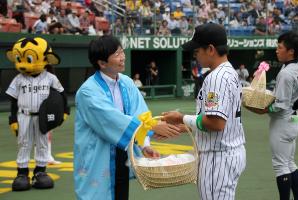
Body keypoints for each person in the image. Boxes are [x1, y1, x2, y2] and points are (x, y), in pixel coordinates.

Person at [74, 35, 181, 200]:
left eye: (122, 51)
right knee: (97, 194)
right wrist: (152, 127)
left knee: (121, 193)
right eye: (116, 54)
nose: (122, 57)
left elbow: (140, 114)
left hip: (122, 153)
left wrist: (145, 145)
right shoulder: (88, 91)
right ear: (102, 63)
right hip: (98, 156)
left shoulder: (127, 82)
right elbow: (110, 120)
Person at [162, 23, 246, 200]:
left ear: (210, 49)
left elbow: (216, 123)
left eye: (197, 50)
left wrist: (181, 118)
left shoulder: (216, 78)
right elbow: (215, 119)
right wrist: (181, 128)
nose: (195, 55)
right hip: (228, 152)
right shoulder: (228, 71)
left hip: (218, 157)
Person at [6, 37, 69, 191]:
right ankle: (22, 174)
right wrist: (13, 119)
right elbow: (13, 101)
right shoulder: (19, 79)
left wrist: (65, 112)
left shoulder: (50, 78)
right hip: (24, 115)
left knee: (42, 144)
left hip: (42, 117)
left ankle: (40, 172)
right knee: (24, 144)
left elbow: (61, 96)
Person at [245, 31, 298, 200]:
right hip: (294, 119)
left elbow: (279, 105)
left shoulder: (286, 73)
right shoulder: (296, 67)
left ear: (291, 51)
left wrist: (259, 108)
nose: (277, 50)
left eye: (280, 47)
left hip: (283, 121)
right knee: (289, 163)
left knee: (280, 166)